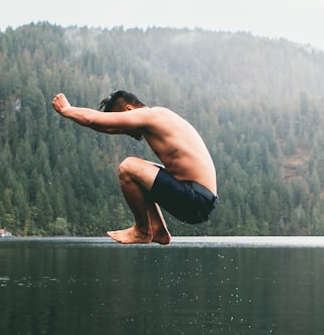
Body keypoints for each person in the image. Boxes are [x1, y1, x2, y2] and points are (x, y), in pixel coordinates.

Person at [51, 90, 218, 245]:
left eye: (122, 122)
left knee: (129, 167)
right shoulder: (157, 118)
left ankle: (143, 230)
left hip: (196, 198)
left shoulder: (149, 115)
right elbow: (106, 126)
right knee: (142, 171)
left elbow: (92, 119)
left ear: (128, 109)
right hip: (199, 198)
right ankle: (158, 230)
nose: (122, 131)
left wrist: (67, 109)